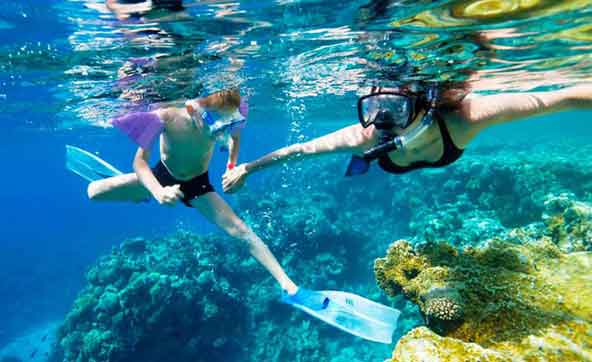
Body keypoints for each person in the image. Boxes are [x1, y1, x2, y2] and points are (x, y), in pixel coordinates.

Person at [66, 88, 401, 343]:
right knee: (93, 193)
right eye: (215, 123)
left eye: (230, 122)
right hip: (163, 176)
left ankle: (290, 288)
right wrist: (155, 189)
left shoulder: (233, 111)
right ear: (193, 109)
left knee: (241, 231)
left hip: (198, 184)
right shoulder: (167, 116)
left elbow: (234, 140)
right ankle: (138, 193)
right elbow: (140, 162)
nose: (221, 130)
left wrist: (231, 167)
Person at [222, 83, 592, 192]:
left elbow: (553, 99)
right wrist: (249, 168)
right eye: (374, 106)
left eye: (394, 108)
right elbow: (301, 151)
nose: (383, 119)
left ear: (421, 104)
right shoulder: (367, 135)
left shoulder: (462, 119)